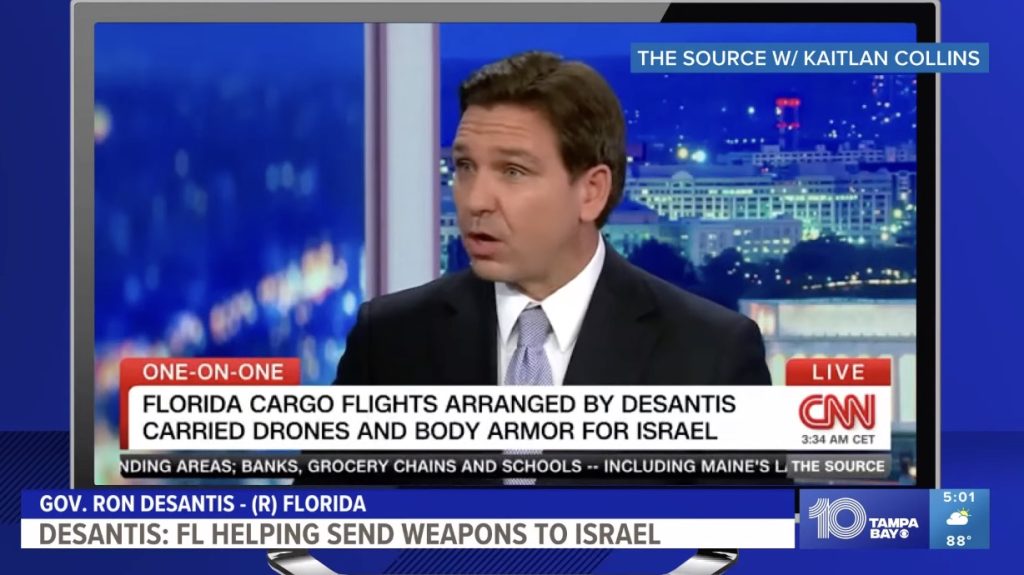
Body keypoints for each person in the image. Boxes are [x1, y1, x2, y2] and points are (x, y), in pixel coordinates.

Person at [336, 51, 771, 389]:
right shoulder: (388, 339)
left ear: (591, 191)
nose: (475, 200)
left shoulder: (711, 354)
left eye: (512, 171)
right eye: (465, 167)